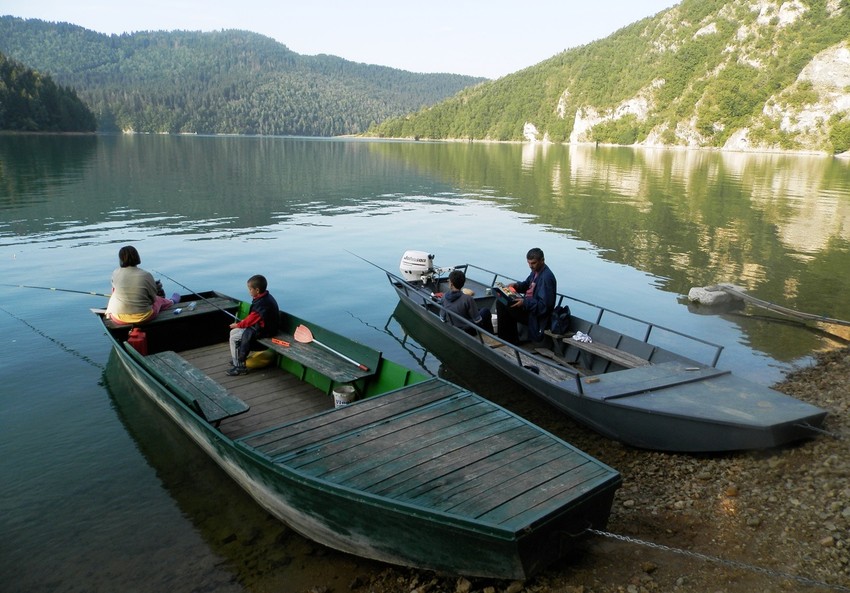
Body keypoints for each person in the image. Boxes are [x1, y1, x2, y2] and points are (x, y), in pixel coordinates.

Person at [105, 245, 180, 325]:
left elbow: (114, 291)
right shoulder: (146, 275)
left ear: (120, 259)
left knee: (114, 290)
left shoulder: (115, 273)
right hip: (143, 317)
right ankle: (172, 302)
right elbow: (153, 299)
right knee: (158, 300)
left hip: (117, 317)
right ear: (137, 257)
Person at [496, 247, 557, 344]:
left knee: (503, 304)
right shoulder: (536, 271)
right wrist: (516, 286)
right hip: (528, 306)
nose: (530, 266)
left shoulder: (546, 278)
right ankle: (507, 338)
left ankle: (508, 341)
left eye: (533, 263)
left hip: (536, 316)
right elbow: (527, 284)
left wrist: (525, 303)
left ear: (542, 260)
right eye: (529, 263)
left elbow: (544, 306)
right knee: (502, 299)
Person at [227, 274, 280, 376]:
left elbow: (251, 319)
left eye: (250, 289)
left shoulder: (262, 304)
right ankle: (237, 360)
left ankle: (240, 366)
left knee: (234, 338)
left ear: (257, 290)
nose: (249, 291)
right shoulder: (264, 297)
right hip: (262, 327)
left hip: (265, 331)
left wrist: (238, 325)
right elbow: (252, 318)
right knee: (233, 333)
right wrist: (239, 325)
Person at [440, 269, 494, 334]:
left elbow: (442, 318)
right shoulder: (467, 299)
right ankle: (490, 334)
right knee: (486, 311)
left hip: (454, 326)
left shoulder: (444, 297)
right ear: (463, 284)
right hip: (469, 330)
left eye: (448, 281)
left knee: (479, 310)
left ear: (451, 284)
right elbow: (477, 320)